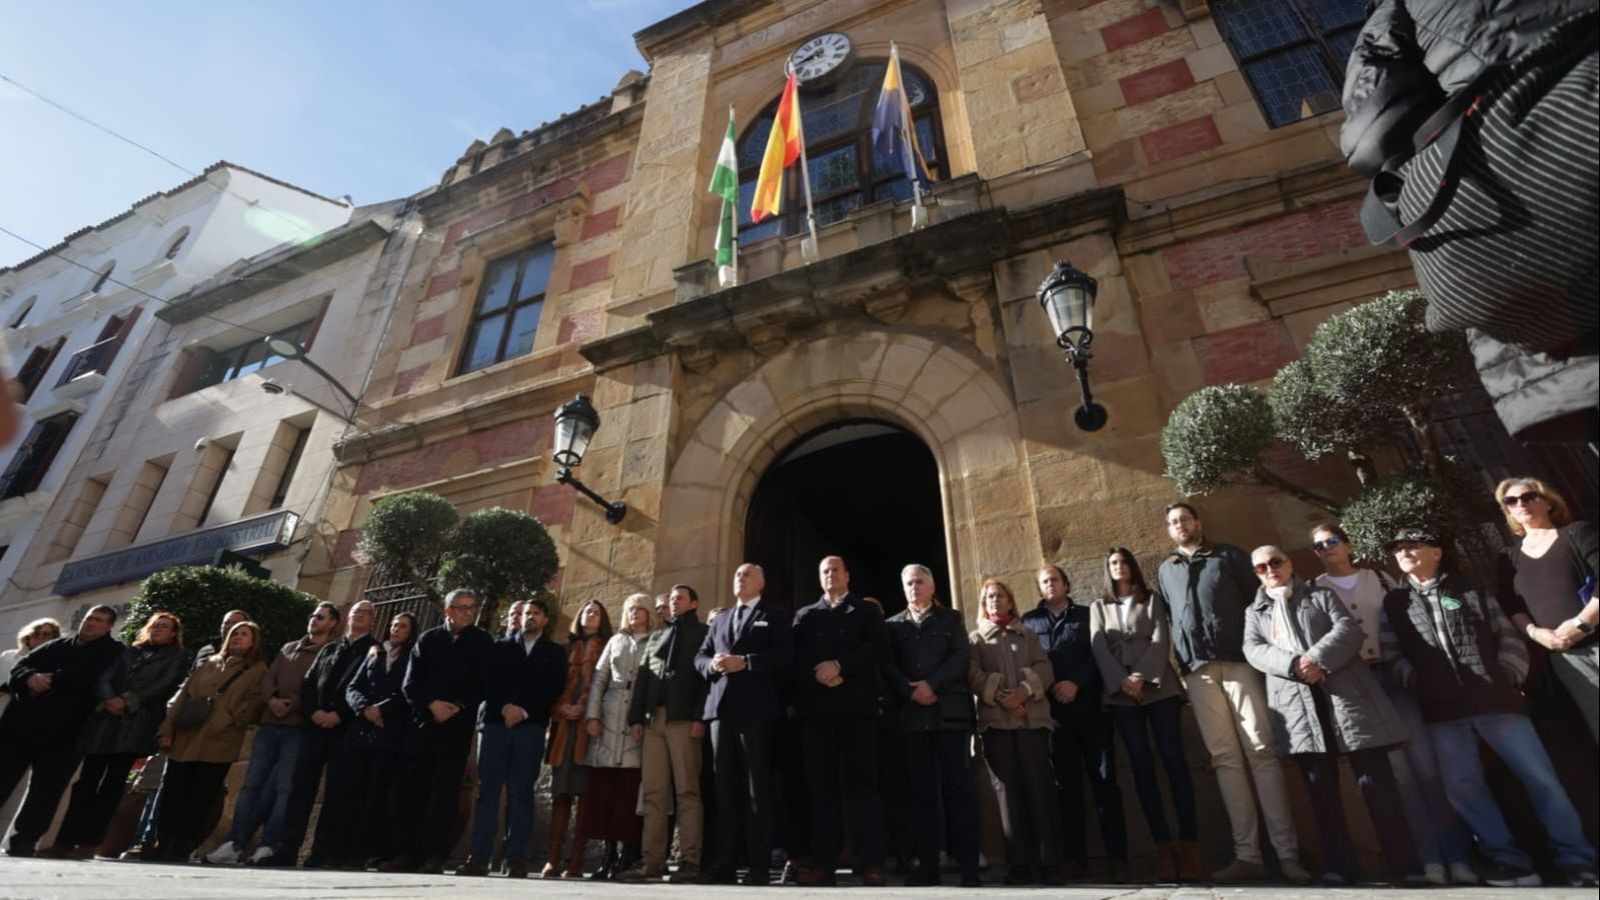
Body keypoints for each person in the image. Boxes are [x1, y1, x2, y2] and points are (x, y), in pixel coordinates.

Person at [1382, 525, 1598, 887]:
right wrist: (1421, 684)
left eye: (1413, 545)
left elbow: (1507, 636)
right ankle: (1509, 860)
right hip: (1444, 712)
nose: (1404, 553)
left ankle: (1576, 859)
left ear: (1436, 552)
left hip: (1497, 704)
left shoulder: (1470, 589)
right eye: (1399, 548)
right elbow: (1392, 652)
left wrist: (1507, 677)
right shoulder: (1395, 602)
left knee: (1541, 780)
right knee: (1463, 789)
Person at [1243, 545, 1421, 886]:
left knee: (1376, 783)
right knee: (1320, 791)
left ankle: (1406, 863)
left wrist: (1317, 659)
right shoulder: (1255, 611)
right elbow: (1253, 650)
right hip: (1297, 705)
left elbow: (1348, 630)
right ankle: (1340, 865)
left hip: (1347, 696)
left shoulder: (1320, 594)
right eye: (1261, 567)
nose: (1270, 571)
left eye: (1275, 563)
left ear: (1289, 563)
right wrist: (1294, 666)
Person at [1312, 522, 1473, 885]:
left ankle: (1460, 856)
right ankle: (1430, 859)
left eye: (1332, 541)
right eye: (1318, 546)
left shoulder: (1382, 579)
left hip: (1397, 675)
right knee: (1400, 776)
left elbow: (1409, 620)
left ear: (1348, 544)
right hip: (1358, 683)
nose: (1326, 549)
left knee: (1428, 768)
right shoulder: (1315, 590)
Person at [1155, 502, 1309, 884]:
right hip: (1198, 673)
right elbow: (1172, 616)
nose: (1180, 525)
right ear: (1169, 530)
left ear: (1198, 523)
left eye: (1185, 519)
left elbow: (1259, 603)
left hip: (1241, 662)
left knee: (1262, 752)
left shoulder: (1228, 555)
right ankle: (1248, 856)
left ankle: (1287, 855)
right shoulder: (1165, 569)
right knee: (1224, 759)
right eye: (1174, 522)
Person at [1090, 548, 1198, 883]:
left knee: (1174, 762)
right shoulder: (1098, 606)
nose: (1118, 567)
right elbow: (1098, 647)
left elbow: (1160, 636)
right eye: (1112, 563)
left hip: (1158, 687)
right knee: (1141, 768)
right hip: (1121, 694)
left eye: (1122, 562)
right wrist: (1121, 681)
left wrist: (1141, 676)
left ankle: (1190, 846)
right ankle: (1163, 846)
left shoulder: (1150, 599)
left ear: (1132, 566)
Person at [44, 612, 186, 859]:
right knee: (85, 784)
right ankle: (63, 841)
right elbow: (105, 678)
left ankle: (89, 843)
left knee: (112, 786)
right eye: (155, 625)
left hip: (135, 727)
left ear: (174, 633)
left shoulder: (176, 656)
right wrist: (109, 699)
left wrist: (128, 701)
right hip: (104, 723)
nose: (158, 629)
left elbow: (163, 685)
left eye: (165, 627)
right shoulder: (129, 652)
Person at [205, 604, 335, 867]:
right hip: (269, 724)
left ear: (332, 623)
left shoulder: (331, 651)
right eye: (312, 615)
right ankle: (234, 842)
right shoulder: (288, 648)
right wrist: (272, 699)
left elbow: (320, 686)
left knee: (284, 789)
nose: (313, 620)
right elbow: (269, 677)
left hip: (298, 727)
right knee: (252, 786)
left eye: (320, 617)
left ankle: (268, 844)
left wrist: (292, 703)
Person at [1024, 564, 1127, 883]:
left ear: (1066, 584)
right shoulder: (1029, 622)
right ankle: (1074, 860)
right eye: (1044, 582)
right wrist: (1054, 685)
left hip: (1091, 708)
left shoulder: (1088, 614)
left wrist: (1076, 684)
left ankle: (1118, 859)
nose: (1050, 585)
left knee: (1105, 782)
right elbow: (1028, 664)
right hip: (1053, 715)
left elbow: (1100, 655)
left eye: (1054, 579)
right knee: (1066, 788)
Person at [380, 589, 493, 874]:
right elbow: (410, 683)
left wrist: (455, 705)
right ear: (447, 611)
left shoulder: (482, 641)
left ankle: (436, 855)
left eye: (472, 607)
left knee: (447, 794)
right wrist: (431, 704)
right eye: (461, 607)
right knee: (412, 792)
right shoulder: (428, 639)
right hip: (422, 726)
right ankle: (407, 853)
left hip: (456, 727)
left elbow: (483, 683)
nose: (468, 612)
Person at [791, 556, 888, 887]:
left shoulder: (866, 612)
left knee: (864, 788)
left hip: (856, 709)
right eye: (825, 571)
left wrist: (839, 666)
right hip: (817, 711)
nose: (831, 574)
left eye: (836, 569)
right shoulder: (805, 615)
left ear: (847, 575)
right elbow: (795, 654)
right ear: (820, 579)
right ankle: (824, 864)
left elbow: (877, 649)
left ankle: (872, 862)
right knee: (821, 790)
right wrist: (817, 671)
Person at [694, 564, 794, 886]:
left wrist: (746, 662)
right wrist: (712, 664)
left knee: (756, 788)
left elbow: (786, 655)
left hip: (757, 710)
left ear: (761, 583)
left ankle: (758, 866)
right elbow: (700, 656)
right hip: (720, 711)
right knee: (724, 789)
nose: (740, 578)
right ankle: (724, 863)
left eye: (748, 574)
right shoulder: (721, 619)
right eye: (737, 574)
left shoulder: (775, 614)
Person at [881, 564, 979, 888]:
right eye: (908, 583)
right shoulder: (892, 626)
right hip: (913, 719)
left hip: (949, 715)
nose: (914, 587)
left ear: (933, 585)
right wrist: (911, 690)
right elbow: (889, 667)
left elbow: (960, 657)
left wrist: (931, 686)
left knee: (959, 790)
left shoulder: (951, 619)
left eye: (920, 581)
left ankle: (968, 866)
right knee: (922, 794)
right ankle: (928, 866)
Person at [0, 605, 123, 857]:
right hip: (20, 729)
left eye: (99, 620)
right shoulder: (57, 645)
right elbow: (22, 665)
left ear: (109, 626)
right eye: (89, 618)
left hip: (66, 735)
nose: (91, 623)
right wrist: (29, 677)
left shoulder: (115, 652)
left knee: (45, 793)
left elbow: (92, 679)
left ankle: (23, 842)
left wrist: (49, 680)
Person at [459, 598, 566, 878]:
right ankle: (479, 856)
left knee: (522, 793)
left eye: (536, 613)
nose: (529, 617)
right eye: (526, 613)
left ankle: (515, 857)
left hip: (530, 728)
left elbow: (553, 687)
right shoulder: (499, 647)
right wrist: (506, 707)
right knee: (488, 792)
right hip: (495, 724)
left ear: (545, 619)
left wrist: (526, 711)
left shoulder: (554, 652)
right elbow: (488, 681)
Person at [150, 620, 268, 862]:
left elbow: (254, 702)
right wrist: (167, 728)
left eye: (244, 634)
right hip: (186, 737)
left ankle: (184, 842)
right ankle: (162, 840)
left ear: (253, 641)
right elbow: (184, 695)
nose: (237, 638)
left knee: (201, 795)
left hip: (219, 741)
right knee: (173, 792)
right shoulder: (209, 664)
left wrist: (231, 717)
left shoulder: (258, 670)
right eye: (234, 634)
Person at [1493, 477, 1598, 741]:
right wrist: (1536, 634)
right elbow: (1511, 604)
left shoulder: (1576, 533)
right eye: (1512, 501)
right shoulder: (1508, 558)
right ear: (1508, 512)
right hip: (1566, 656)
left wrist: (1582, 624)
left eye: (1529, 497)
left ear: (1548, 503)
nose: (1521, 504)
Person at [968, 578, 1056, 885]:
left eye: (999, 595)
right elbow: (973, 675)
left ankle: (1047, 862)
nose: (994, 600)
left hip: (1032, 722)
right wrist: (1004, 698)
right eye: (989, 596)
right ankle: (1017, 864)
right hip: (997, 724)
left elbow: (1045, 669)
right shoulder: (976, 638)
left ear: (1010, 600)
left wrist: (1024, 692)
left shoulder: (1028, 634)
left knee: (1039, 788)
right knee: (1007, 793)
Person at [620, 584, 708, 883]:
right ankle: (651, 863)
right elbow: (644, 677)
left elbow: (706, 682)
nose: (673, 602)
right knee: (654, 794)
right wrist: (635, 718)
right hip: (653, 722)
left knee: (687, 792)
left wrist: (700, 717)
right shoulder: (657, 636)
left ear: (693, 604)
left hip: (684, 721)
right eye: (670, 598)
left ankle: (690, 861)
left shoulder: (703, 633)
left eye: (680, 598)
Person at [289, 600, 376, 867]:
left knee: (338, 793)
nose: (360, 616)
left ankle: (323, 852)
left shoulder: (374, 650)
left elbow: (369, 688)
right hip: (314, 727)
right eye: (356, 612)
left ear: (373, 620)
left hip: (345, 730)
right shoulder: (329, 648)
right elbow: (309, 683)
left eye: (366, 613)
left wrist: (339, 714)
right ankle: (288, 848)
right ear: (347, 617)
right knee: (300, 789)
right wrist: (314, 711)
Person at [578, 594, 652, 881]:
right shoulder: (615, 641)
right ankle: (607, 855)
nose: (635, 613)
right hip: (610, 712)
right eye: (631, 609)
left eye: (640, 609)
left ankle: (628, 856)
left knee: (630, 791)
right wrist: (593, 716)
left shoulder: (657, 640)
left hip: (638, 716)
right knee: (605, 790)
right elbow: (599, 679)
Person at [338, 611, 416, 869]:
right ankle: (344, 849)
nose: (396, 629)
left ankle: (366, 851)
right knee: (352, 792)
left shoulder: (412, 656)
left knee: (377, 795)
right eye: (394, 624)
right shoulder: (375, 652)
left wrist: (382, 709)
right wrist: (364, 708)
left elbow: (410, 690)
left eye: (403, 626)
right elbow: (353, 687)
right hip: (362, 731)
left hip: (389, 733)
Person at [545, 599, 612, 878]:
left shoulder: (608, 646)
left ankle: (577, 860)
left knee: (585, 794)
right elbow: (551, 684)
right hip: (563, 727)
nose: (591, 615)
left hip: (591, 727)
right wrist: (561, 708)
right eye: (586, 610)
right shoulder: (564, 649)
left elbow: (608, 685)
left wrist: (585, 709)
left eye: (596, 612)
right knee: (560, 794)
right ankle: (553, 858)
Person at [0, 619, 62, 717]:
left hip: (20, 717)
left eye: (46, 634)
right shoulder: (8, 656)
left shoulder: (55, 665)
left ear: (54, 638)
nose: (40, 637)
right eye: (36, 633)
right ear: (28, 637)